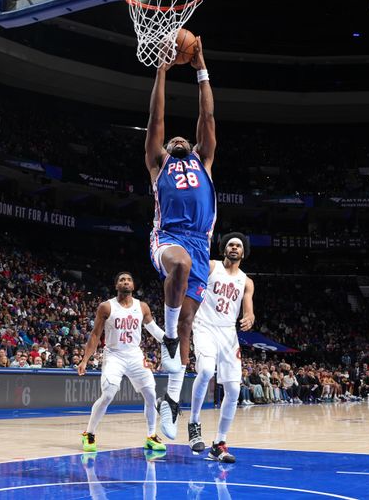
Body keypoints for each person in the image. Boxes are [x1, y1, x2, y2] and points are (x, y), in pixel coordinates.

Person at [145, 37, 218, 439]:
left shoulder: (203, 159)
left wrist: (200, 67)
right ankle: (168, 340)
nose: (176, 139)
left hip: (201, 245)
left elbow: (206, 117)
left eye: (181, 139)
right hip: (168, 238)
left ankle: (171, 400)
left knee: (189, 321)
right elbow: (157, 119)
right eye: (171, 140)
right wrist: (162, 70)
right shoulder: (159, 164)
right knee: (180, 265)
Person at [78, 272, 167, 453]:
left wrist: (169, 340)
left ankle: (151, 436)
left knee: (150, 394)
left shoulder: (142, 307)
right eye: (122, 280)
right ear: (116, 285)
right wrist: (85, 360)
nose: (125, 282)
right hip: (114, 355)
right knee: (108, 394)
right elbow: (95, 334)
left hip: (134, 355)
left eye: (129, 280)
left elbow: (154, 330)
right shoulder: (106, 307)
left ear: (133, 286)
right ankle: (89, 433)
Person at [186, 233, 254, 462]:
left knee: (234, 390)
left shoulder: (246, 280)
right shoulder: (211, 266)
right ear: (224, 248)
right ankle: (194, 423)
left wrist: (250, 316)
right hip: (205, 325)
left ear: (243, 252)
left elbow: (248, 308)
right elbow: (191, 286)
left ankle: (219, 444)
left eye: (238, 246)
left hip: (228, 333)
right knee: (205, 371)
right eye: (230, 244)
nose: (234, 248)